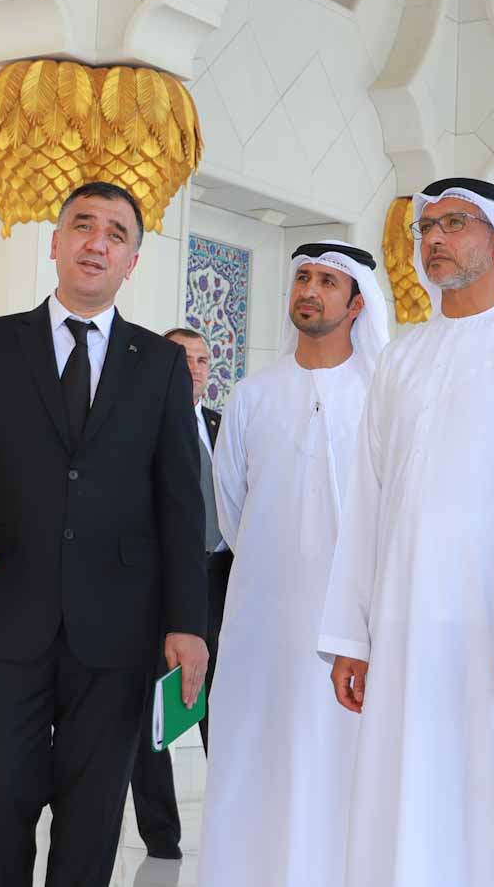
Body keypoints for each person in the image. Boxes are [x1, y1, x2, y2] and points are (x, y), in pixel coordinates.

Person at [0, 180, 209, 887]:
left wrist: (186, 623)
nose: (98, 242)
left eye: (116, 233)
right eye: (83, 226)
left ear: (132, 263)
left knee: (92, 815)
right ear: (55, 244)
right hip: (4, 611)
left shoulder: (161, 366)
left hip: (116, 630)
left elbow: (180, 505)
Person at [318, 179, 494, 887]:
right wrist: (353, 635)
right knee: (404, 798)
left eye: (454, 224)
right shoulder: (403, 357)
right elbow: (369, 500)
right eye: (426, 228)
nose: (434, 239)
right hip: (405, 630)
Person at [201, 240, 387, 886]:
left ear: (357, 302)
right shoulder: (253, 395)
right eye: (302, 278)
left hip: (355, 628)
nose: (309, 290)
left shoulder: (383, 397)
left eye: (328, 282)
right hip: (261, 622)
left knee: (343, 764)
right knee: (256, 759)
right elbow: (229, 510)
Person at [128, 326, 221, 860]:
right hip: (155, 587)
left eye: (203, 360)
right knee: (152, 713)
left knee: (219, 706)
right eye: (183, 358)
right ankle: (162, 836)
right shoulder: (139, 422)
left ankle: (229, 816)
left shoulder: (222, 424)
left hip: (218, 582)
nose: (194, 369)